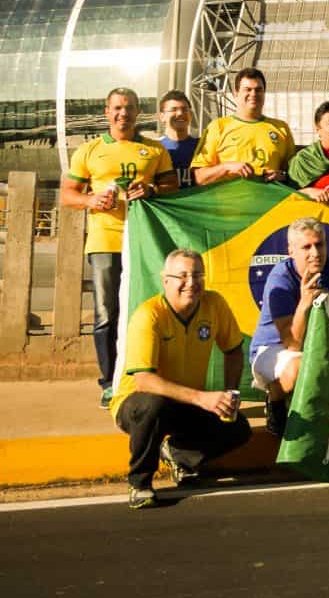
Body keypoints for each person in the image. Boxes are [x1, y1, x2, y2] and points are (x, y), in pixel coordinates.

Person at [61, 86, 178, 407]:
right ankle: (109, 381)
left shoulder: (154, 150)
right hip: (105, 241)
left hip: (145, 241)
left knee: (149, 310)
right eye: (116, 108)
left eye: (128, 108)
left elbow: (172, 186)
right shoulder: (89, 150)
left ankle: (149, 375)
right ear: (106, 111)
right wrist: (92, 199)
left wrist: (152, 187)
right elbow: (67, 194)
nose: (122, 113)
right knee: (106, 313)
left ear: (138, 112)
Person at [110, 248, 251, 509]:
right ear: (166, 281)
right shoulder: (149, 315)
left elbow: (232, 350)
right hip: (138, 405)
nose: (191, 283)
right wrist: (202, 398)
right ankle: (140, 483)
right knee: (153, 405)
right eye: (182, 276)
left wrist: (230, 393)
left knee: (237, 428)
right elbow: (144, 380)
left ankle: (179, 455)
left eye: (198, 275)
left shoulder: (214, 304)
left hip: (185, 402)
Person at [249, 218, 329, 436]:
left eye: (319, 244)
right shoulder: (280, 278)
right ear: (291, 251)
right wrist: (304, 303)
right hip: (274, 349)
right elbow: (293, 344)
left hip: (320, 340)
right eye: (306, 247)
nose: (315, 252)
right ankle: (275, 397)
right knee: (302, 364)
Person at [191, 68, 295, 186]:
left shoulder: (281, 128)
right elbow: (199, 177)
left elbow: (294, 174)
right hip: (230, 203)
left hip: (270, 202)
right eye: (247, 89)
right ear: (236, 94)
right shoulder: (218, 127)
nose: (253, 94)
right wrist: (227, 167)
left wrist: (283, 176)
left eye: (258, 90)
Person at [157, 90, 198, 188]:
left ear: (191, 115)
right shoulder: (154, 148)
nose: (180, 113)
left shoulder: (202, 146)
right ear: (162, 116)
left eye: (184, 109)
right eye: (173, 109)